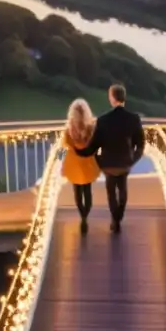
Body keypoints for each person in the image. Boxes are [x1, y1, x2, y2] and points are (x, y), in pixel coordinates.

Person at [73, 83, 144, 233]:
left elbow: (93, 146)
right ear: (124, 98)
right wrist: (133, 159)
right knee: (123, 190)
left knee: (111, 192)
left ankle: (115, 220)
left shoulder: (103, 120)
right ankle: (118, 217)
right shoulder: (134, 118)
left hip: (108, 164)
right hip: (125, 162)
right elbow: (140, 144)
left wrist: (79, 152)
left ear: (112, 98)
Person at [61, 98, 100, 235]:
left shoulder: (69, 129)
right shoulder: (91, 127)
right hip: (87, 162)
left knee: (77, 192)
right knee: (87, 191)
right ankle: (85, 215)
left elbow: (65, 143)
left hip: (74, 163)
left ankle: (82, 215)